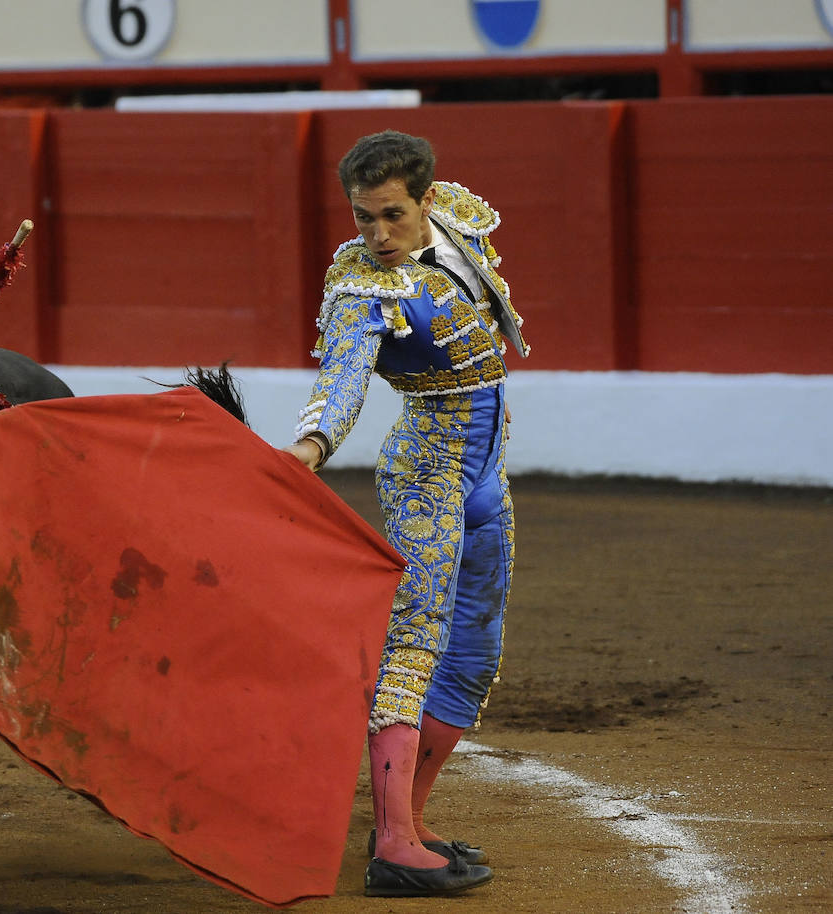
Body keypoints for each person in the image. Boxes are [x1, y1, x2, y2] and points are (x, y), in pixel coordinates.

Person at [283, 130, 529, 897]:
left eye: (391, 216)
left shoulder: (456, 219)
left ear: (426, 198)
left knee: (474, 651)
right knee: (415, 642)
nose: (377, 236)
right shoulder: (360, 288)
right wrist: (311, 445)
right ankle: (391, 845)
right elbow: (345, 375)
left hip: (487, 471)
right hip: (427, 470)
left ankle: (409, 823)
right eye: (362, 219)